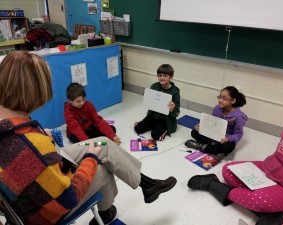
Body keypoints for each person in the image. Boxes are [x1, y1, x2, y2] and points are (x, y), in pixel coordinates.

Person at [0, 51, 177, 225]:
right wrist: (90, 158)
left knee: (104, 143)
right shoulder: (30, 145)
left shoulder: (14, 129)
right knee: (102, 166)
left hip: (46, 171)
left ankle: (148, 185)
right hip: (47, 211)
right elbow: (67, 198)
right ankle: (106, 212)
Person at [187, 115, 283, 225]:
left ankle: (212, 184)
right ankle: (270, 213)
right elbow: (277, 156)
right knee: (228, 170)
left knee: (260, 200)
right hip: (267, 169)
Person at [185, 86, 247, 157]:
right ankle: (215, 149)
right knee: (194, 132)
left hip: (225, 139)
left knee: (228, 147)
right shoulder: (217, 108)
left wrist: (228, 138)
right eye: (219, 97)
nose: (220, 100)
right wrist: (201, 126)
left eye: (224, 98)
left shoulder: (239, 116)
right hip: (214, 135)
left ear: (233, 101)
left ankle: (201, 146)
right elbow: (211, 122)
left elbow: (238, 134)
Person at [134, 64, 180, 141]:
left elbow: (177, 112)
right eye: (160, 75)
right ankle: (153, 125)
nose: (162, 77)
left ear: (171, 77)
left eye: (165, 76)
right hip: (154, 116)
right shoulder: (154, 86)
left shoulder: (175, 92)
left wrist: (172, 109)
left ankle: (160, 128)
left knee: (155, 135)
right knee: (138, 129)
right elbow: (149, 103)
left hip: (165, 119)